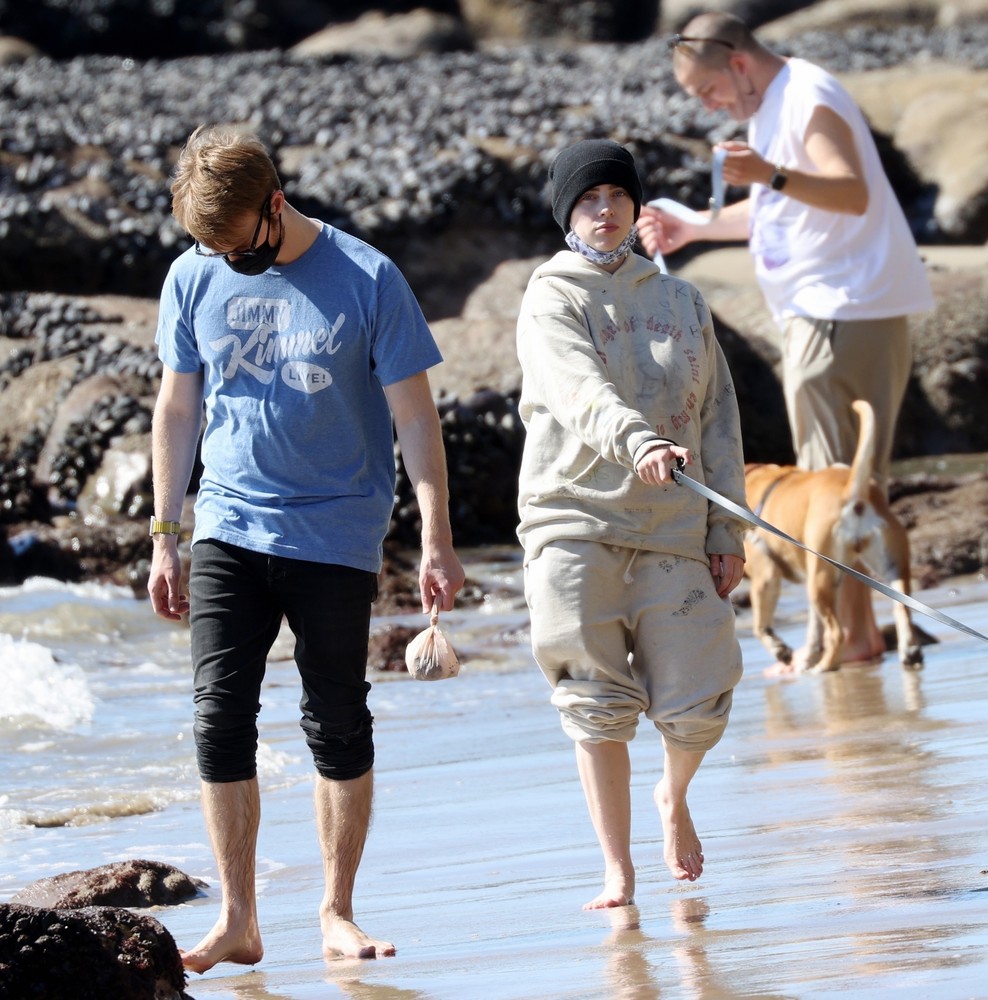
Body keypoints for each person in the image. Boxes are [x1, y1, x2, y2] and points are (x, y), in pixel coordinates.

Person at [146, 124, 464, 971]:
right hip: (228, 522)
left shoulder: (367, 277)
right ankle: (238, 919)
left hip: (336, 530)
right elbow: (178, 408)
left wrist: (435, 537)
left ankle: (336, 911)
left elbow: (415, 417)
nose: (226, 259)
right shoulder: (192, 275)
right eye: (212, 247)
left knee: (337, 720)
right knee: (219, 718)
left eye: (236, 242)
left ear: (275, 204)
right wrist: (165, 535)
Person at [638, 12, 935, 669]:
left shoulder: (808, 95)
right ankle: (859, 636)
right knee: (845, 485)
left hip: (839, 310)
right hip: (830, 309)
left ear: (739, 63)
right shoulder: (773, 106)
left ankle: (851, 642)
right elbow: (784, 204)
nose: (707, 105)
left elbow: (852, 192)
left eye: (708, 90)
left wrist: (769, 171)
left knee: (834, 487)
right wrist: (695, 228)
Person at [517, 139, 747, 910]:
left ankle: (672, 797)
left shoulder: (681, 301)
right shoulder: (550, 297)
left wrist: (728, 529)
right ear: (567, 212)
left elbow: (718, 418)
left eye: (618, 195)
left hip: (675, 524)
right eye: (589, 199)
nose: (606, 210)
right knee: (595, 700)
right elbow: (577, 389)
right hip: (572, 519)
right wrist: (638, 442)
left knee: (699, 700)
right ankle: (617, 869)